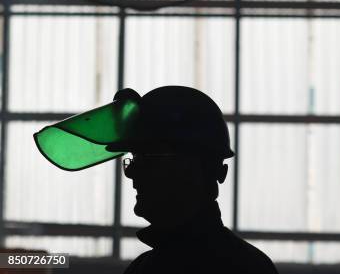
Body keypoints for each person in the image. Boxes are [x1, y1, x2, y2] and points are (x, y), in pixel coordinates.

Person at [108, 86, 278, 274]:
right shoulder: (249, 265)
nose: (131, 172)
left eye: (150, 157)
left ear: (203, 170)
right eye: (135, 157)